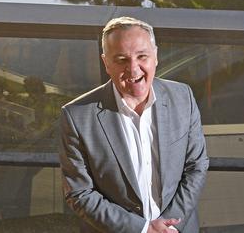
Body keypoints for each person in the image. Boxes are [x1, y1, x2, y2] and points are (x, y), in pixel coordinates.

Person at [59, 16, 208, 233]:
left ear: (155, 56)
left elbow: (197, 166)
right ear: (106, 63)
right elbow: (79, 193)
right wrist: (143, 229)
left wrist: (168, 227)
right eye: (121, 59)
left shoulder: (183, 97)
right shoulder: (77, 116)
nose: (133, 68)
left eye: (142, 56)